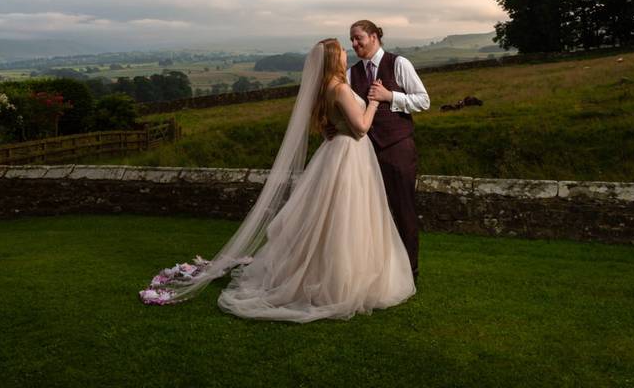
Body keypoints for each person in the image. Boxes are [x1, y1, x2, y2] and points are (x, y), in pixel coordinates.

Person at [140, 39, 416, 322]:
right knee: (348, 217)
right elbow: (361, 128)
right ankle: (344, 281)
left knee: (330, 218)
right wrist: (373, 102)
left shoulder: (324, 90)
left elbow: (326, 128)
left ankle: (328, 273)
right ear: (335, 59)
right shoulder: (342, 88)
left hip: (334, 152)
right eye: (342, 53)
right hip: (351, 153)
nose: (347, 56)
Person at [347, 20, 430, 280]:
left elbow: (423, 101)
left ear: (374, 36)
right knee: (371, 213)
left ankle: (410, 273)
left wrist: (390, 96)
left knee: (403, 211)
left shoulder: (399, 64)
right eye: (351, 39)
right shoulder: (352, 74)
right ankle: (381, 272)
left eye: (358, 37)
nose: (354, 43)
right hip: (365, 152)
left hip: (398, 149)